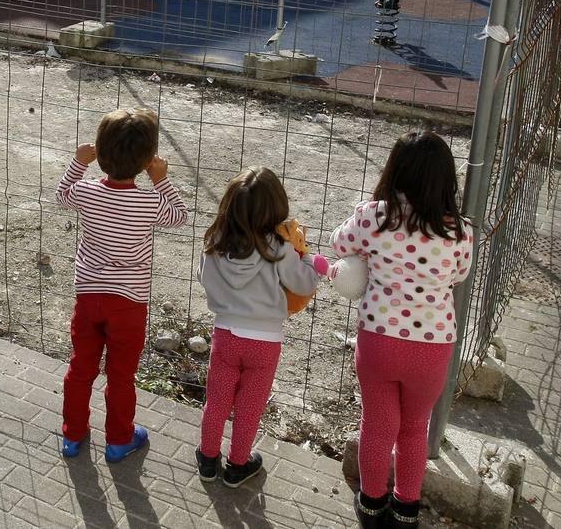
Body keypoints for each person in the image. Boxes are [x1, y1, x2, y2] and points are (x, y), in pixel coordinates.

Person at [331, 131, 473, 529]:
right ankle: (406, 509)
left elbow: (340, 245)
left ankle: (372, 505)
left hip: (378, 340)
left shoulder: (373, 215)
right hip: (432, 347)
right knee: (414, 429)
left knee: (377, 424)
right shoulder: (460, 231)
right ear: (447, 180)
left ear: (394, 170)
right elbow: (458, 276)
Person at [55, 108, 188, 463]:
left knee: (81, 367)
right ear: (147, 160)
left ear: (99, 152)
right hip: (129, 302)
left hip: (89, 297)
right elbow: (181, 216)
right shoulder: (150, 201)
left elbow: (62, 194)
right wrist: (160, 179)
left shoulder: (85, 192)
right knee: (121, 375)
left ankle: (73, 435)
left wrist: (78, 162)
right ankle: (118, 440)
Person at [196, 167, 327, 487]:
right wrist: (312, 262)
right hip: (266, 342)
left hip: (226, 335)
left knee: (217, 400)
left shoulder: (215, 241)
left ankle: (208, 459)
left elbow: (204, 278)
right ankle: (238, 464)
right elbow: (303, 281)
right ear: (276, 208)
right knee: (249, 406)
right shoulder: (278, 249)